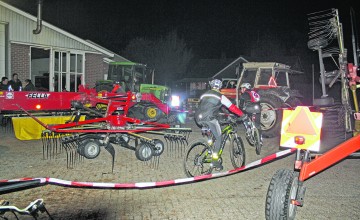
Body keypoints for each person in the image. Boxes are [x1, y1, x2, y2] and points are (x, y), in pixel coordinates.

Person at [195, 79, 246, 170]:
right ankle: (214, 161)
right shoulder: (220, 96)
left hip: (198, 118)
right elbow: (232, 107)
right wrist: (242, 115)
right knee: (219, 138)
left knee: (212, 134)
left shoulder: (204, 94)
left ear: (211, 86)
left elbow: (208, 107)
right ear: (220, 87)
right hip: (209, 119)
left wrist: (221, 114)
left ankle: (210, 146)